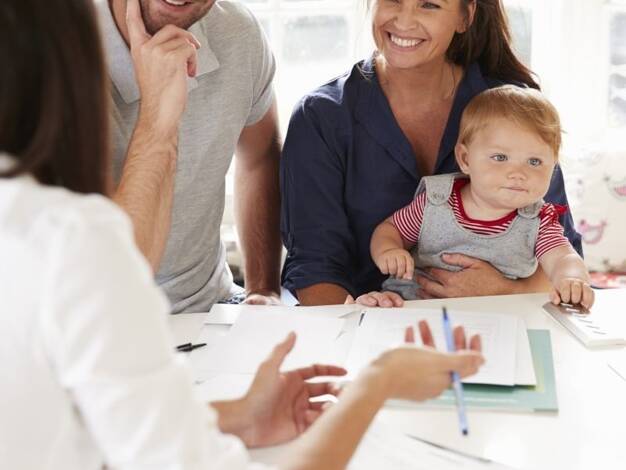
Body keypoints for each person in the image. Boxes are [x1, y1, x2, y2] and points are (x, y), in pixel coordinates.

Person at [0, 1, 484, 469]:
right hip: (138, 336)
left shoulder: (39, 230)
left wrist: (243, 395)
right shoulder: (71, 242)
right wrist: (378, 383)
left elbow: (99, 432)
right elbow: (118, 291)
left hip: (207, 322)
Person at [280, 0, 582, 307]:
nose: (404, 21)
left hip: (504, 320)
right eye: (393, 0)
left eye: (429, 5)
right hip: (370, 317)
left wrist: (504, 291)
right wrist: (363, 320)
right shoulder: (321, 116)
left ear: (465, 16)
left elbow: (563, 257)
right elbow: (315, 267)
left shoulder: (514, 111)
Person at [97, 0, 283, 312]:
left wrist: (264, 289)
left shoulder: (238, 32)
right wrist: (158, 114)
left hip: (213, 304)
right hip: (103, 317)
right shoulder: (49, 52)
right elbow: (114, 273)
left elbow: (260, 157)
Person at [370, 86, 595, 309]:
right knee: (383, 307)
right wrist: (389, 251)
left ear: (553, 166)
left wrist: (572, 279)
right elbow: (391, 230)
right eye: (500, 157)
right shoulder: (437, 202)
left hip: (496, 318)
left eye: (534, 161)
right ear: (465, 159)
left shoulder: (539, 222)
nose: (518, 173)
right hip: (413, 307)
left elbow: (563, 258)